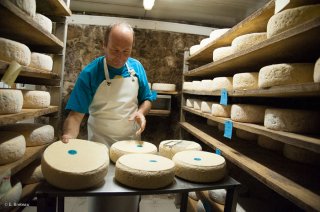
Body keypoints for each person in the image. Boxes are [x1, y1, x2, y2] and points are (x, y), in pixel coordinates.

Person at [62, 22, 154, 212]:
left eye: (126, 51)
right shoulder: (90, 73)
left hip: (130, 144)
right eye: (114, 50)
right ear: (104, 45)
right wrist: (69, 138)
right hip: (99, 145)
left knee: (129, 197)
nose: (120, 57)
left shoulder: (137, 68)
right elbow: (76, 115)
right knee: (102, 198)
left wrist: (141, 112)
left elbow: (147, 98)